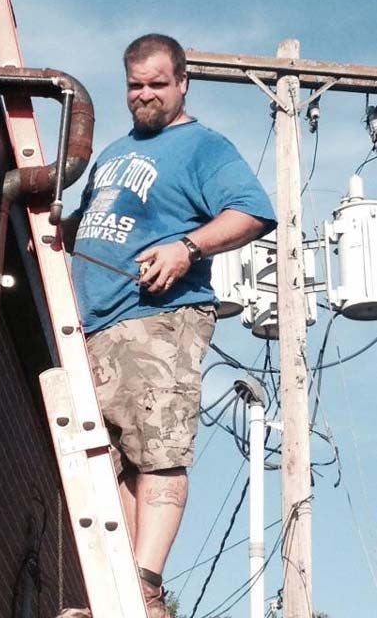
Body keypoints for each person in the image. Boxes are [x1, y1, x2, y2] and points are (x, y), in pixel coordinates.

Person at [60, 34, 276, 618]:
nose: (146, 95)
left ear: (183, 83)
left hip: (159, 320)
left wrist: (187, 246)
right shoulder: (111, 154)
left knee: (158, 455)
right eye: (136, 86)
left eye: (158, 84)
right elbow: (85, 223)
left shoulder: (203, 146)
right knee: (115, 464)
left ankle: (146, 586)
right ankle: (120, 596)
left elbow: (252, 210)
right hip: (92, 327)